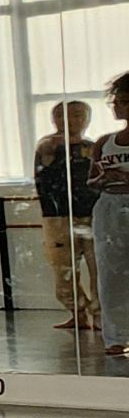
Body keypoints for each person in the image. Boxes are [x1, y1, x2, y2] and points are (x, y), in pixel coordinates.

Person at [35, 100, 100, 332]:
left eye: (77, 116)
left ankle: (100, 314)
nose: (70, 121)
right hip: (58, 216)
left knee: (98, 267)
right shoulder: (47, 145)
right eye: (63, 116)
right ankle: (77, 312)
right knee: (63, 268)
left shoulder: (93, 146)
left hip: (92, 214)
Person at [93, 73, 129, 358]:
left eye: (124, 102)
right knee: (111, 273)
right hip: (110, 206)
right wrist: (106, 178)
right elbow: (90, 181)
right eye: (115, 102)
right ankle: (116, 336)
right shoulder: (105, 142)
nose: (118, 107)